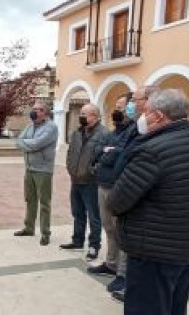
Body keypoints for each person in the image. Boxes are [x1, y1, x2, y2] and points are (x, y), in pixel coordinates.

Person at [108, 89, 189, 315]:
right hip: (186, 248)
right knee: (175, 308)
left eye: (146, 112)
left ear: (158, 116)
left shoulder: (151, 151)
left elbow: (117, 201)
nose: (142, 117)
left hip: (152, 252)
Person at [87, 94, 133, 290]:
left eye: (121, 107)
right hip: (103, 184)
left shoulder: (132, 131)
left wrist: (106, 152)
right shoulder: (113, 132)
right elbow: (97, 150)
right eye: (116, 106)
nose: (117, 111)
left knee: (119, 230)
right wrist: (106, 151)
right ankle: (111, 264)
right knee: (108, 227)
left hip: (117, 186)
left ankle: (123, 273)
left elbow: (120, 154)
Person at [61, 103, 105, 260]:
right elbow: (70, 152)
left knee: (94, 216)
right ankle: (77, 241)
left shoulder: (103, 134)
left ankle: (94, 246)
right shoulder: (77, 133)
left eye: (85, 114)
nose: (82, 116)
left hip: (91, 182)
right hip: (75, 180)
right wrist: (70, 169)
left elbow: (104, 159)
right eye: (81, 113)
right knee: (77, 212)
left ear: (95, 116)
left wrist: (92, 171)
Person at [14, 101, 58, 246]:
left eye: (37, 109)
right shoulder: (30, 125)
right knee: (30, 200)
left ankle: (45, 233)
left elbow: (37, 144)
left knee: (44, 203)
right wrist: (28, 144)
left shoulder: (51, 127)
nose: (34, 112)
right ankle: (29, 227)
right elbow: (18, 141)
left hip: (43, 170)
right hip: (29, 168)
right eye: (33, 109)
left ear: (44, 112)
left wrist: (27, 144)